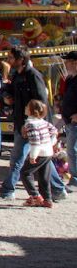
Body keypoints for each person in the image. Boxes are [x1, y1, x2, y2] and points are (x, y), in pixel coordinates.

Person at [0, 46, 67, 202]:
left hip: (32, 125)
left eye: (11, 58)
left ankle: (7, 191)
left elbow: (41, 102)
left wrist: (35, 123)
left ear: (21, 59)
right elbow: (6, 90)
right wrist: (6, 96)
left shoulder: (33, 76)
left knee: (17, 158)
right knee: (42, 158)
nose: (8, 61)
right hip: (22, 122)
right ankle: (58, 189)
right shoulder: (17, 75)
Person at [20, 99, 59, 208]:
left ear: (32, 110)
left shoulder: (31, 124)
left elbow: (35, 142)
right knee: (44, 177)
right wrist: (51, 143)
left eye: (27, 106)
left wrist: (33, 156)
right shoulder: (43, 121)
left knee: (25, 172)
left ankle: (35, 196)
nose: (25, 108)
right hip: (48, 152)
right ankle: (47, 199)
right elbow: (54, 131)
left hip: (40, 153)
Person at [62, 52, 77, 186]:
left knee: (73, 150)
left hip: (75, 121)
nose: (65, 64)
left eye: (68, 61)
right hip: (69, 120)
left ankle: (75, 179)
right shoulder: (70, 79)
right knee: (71, 150)